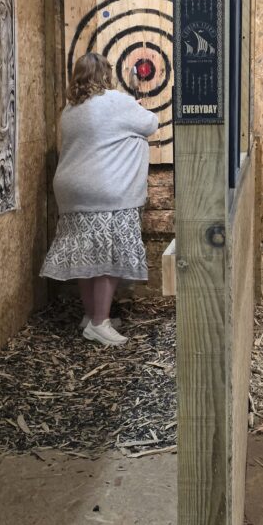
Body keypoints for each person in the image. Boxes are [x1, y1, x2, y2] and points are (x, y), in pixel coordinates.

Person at [40, 52, 158, 346]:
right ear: (105, 74)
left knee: (87, 255)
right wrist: (135, 106)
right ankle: (100, 323)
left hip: (71, 192)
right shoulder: (115, 101)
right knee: (107, 256)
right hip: (106, 190)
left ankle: (91, 315)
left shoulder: (69, 110)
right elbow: (151, 123)